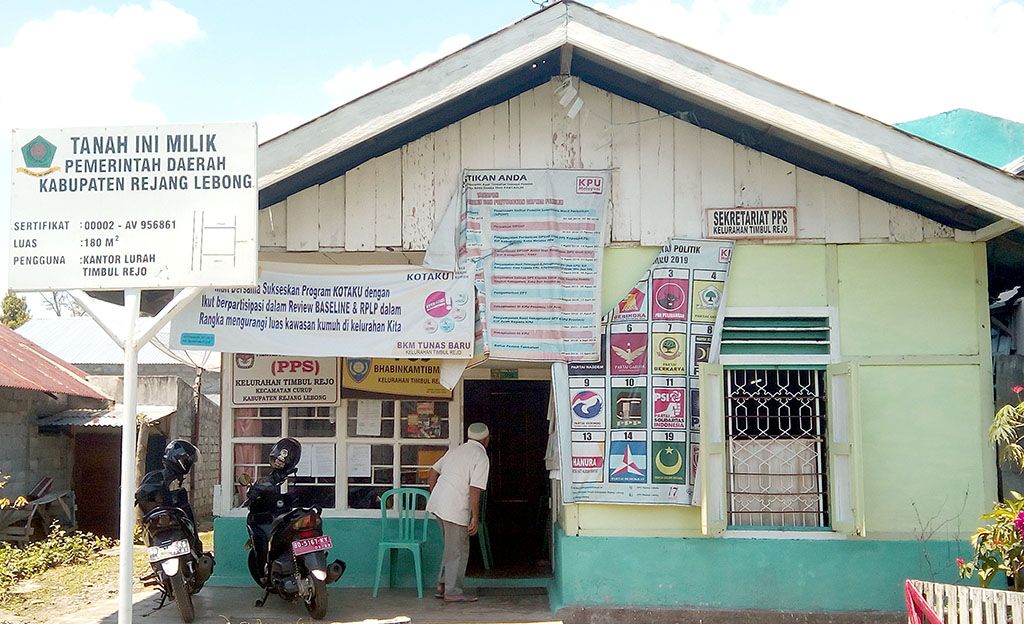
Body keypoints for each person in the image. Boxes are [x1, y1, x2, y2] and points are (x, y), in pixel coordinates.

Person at [426, 422, 490, 603]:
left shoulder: (456, 450)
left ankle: (442, 585)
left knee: (450, 546)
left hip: (439, 504)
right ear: (486, 439)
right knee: (458, 550)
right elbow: (475, 490)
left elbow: (433, 471)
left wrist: (436, 494)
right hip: (454, 508)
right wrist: (475, 517)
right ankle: (452, 591)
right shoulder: (480, 456)